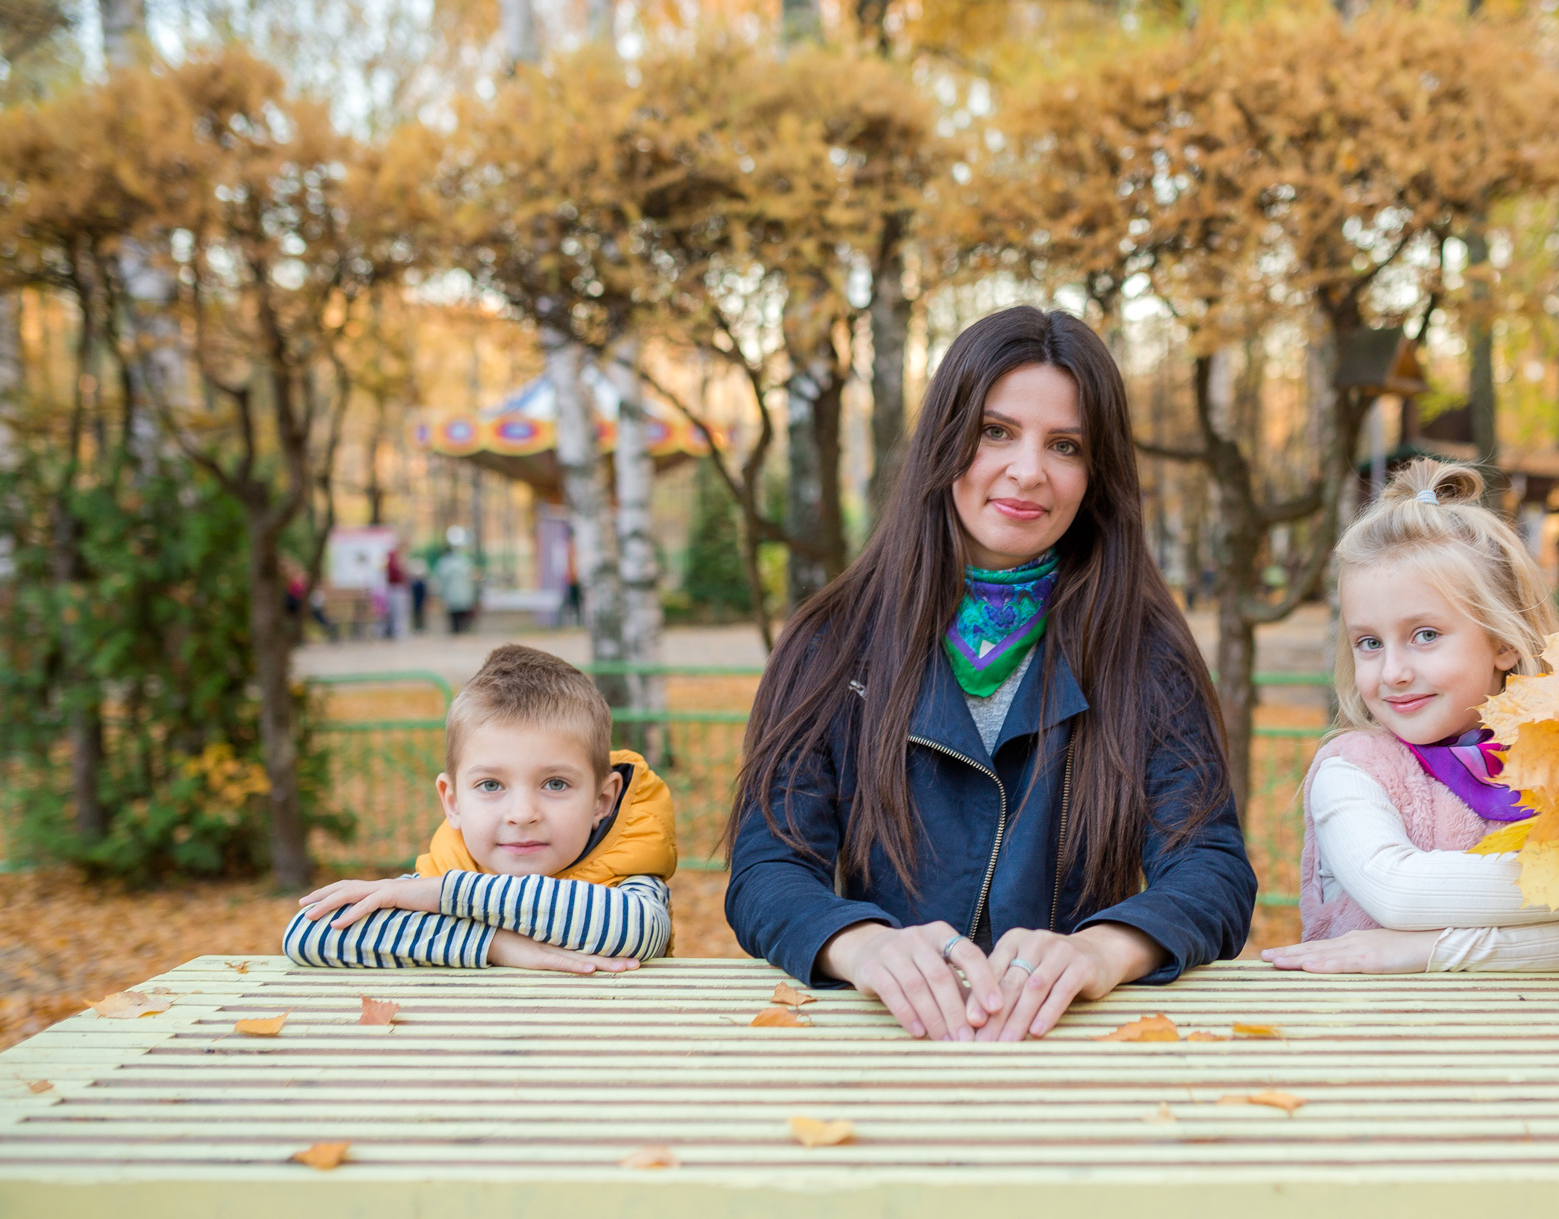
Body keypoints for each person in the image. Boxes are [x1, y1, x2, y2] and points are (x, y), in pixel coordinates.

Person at [725, 306, 1255, 1042]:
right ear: (946, 437)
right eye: (996, 431)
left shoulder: (1145, 652)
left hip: (1071, 1041)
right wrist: (864, 944)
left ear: (1095, 476)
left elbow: (1212, 869)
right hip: (880, 1038)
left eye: (1066, 445)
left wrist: (1100, 950)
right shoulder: (832, 640)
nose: (1028, 470)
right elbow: (767, 868)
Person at [1262, 460, 1559, 975]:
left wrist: (1428, 951)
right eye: (1369, 643)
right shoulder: (1353, 770)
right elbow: (1398, 890)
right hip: (1369, 1040)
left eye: (1425, 635)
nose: (1392, 671)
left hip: (1543, 1045)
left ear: (1504, 640)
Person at [283, 644, 677, 971]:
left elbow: (639, 930)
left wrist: (448, 897)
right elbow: (307, 932)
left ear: (601, 801)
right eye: (491, 785)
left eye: (555, 783)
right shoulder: (441, 872)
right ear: (452, 802)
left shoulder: (625, 878)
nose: (522, 813)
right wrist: (495, 945)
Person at [434, 527, 479, 635]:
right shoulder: (465, 562)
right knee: (460, 621)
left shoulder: (445, 562)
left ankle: (457, 634)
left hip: (454, 597)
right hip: (461, 597)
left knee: (456, 622)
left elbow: (440, 580)